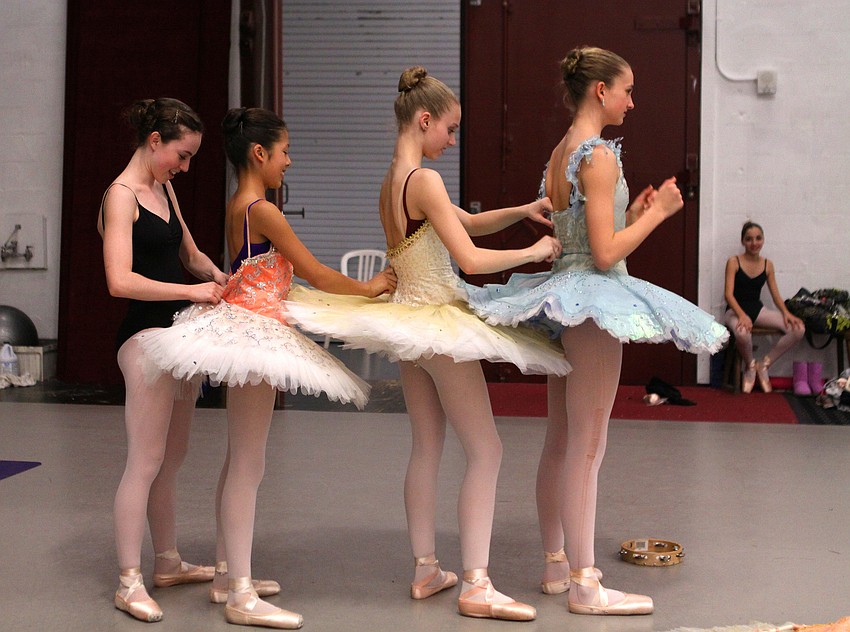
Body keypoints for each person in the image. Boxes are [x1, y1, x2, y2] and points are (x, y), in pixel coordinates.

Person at [284, 66, 570, 622]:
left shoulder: (394, 181)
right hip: (438, 325)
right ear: (424, 119)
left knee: (427, 446)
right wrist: (535, 252)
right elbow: (470, 259)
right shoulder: (426, 180)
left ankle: (425, 569)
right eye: (451, 128)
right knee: (486, 450)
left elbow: (463, 223)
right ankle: (477, 584)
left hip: (410, 324)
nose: (453, 140)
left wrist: (521, 212)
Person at [466, 47, 729, 616]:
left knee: (562, 441)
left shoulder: (561, 152)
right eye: (627, 90)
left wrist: (631, 217)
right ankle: (586, 585)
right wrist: (658, 215)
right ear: (600, 91)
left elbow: (589, 237)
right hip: (591, 301)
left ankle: (557, 565)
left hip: (567, 295)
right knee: (587, 446)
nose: (632, 103)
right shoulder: (600, 155)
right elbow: (605, 255)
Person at [137, 107, 396, 629]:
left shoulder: (240, 204)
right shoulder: (263, 210)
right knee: (248, 465)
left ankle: (227, 574)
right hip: (254, 334)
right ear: (260, 153)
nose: (289, 161)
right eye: (284, 152)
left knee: (240, 460)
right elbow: (317, 272)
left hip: (248, 324)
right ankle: (240, 592)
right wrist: (371, 287)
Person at [98, 98, 228, 622]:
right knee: (145, 462)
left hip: (180, 337)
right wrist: (192, 293)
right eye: (182, 155)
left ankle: (168, 562)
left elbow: (190, 256)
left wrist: (222, 280)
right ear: (155, 142)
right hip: (144, 339)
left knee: (172, 460)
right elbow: (119, 280)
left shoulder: (164, 188)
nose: (185, 167)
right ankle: (128, 581)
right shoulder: (120, 196)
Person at [724, 221, 805, 393]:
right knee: (742, 333)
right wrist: (742, 315)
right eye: (749, 239)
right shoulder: (734, 262)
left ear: (763, 240)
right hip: (734, 311)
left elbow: (776, 295)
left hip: (757, 310)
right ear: (743, 241)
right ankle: (750, 366)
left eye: (758, 238)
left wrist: (786, 313)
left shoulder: (767, 264)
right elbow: (728, 295)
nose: (754, 243)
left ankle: (764, 364)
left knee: (798, 329)